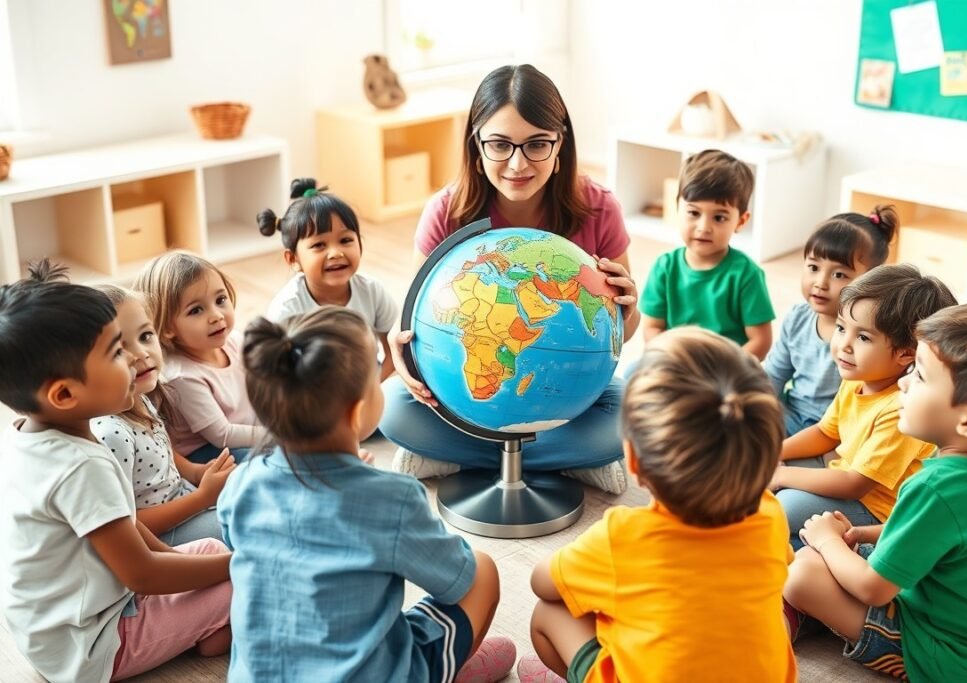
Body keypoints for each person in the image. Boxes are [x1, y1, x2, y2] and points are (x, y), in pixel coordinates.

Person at [379, 64, 639, 495]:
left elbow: (620, 336)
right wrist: (402, 352)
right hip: (470, 392)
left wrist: (628, 309)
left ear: (560, 145)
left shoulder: (598, 207)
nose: (518, 163)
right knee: (392, 408)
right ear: (476, 146)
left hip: (566, 385)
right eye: (499, 144)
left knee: (631, 411)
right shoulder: (446, 212)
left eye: (537, 144)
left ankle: (457, 455)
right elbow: (420, 324)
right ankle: (569, 459)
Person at [217, 306, 515, 682]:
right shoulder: (394, 499)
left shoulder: (241, 483)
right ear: (358, 414)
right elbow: (455, 575)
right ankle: (449, 668)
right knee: (483, 569)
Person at [517, 327, 796, 683]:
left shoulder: (623, 537)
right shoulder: (770, 513)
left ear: (632, 460)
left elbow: (544, 584)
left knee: (551, 613)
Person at [0, 261, 232, 683]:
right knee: (246, 578)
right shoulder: (80, 466)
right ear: (65, 393)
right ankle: (215, 627)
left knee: (213, 553)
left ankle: (214, 620)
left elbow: (128, 529)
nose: (133, 359)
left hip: (59, 629)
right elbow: (142, 572)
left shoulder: (44, 437)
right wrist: (242, 567)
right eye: (115, 352)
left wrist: (225, 563)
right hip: (93, 647)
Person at [784, 302, 967, 682]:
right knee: (822, 556)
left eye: (921, 376)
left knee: (803, 573)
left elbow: (873, 588)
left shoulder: (936, 488)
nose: (902, 383)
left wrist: (828, 541)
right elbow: (940, 537)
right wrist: (860, 534)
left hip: (941, 657)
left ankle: (798, 620)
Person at [771, 264, 957, 549]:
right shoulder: (858, 376)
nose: (844, 345)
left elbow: (854, 483)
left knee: (784, 505)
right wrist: (774, 453)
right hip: (841, 472)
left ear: (906, 354)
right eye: (842, 328)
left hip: (871, 508)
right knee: (766, 470)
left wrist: (782, 474)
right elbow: (825, 433)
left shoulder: (901, 407)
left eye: (863, 337)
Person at [90, 285, 235, 545]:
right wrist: (202, 497)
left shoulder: (139, 395)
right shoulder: (111, 434)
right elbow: (131, 525)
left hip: (185, 497)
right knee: (248, 527)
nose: (141, 354)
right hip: (164, 534)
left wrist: (195, 472)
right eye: (120, 350)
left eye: (145, 336)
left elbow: (161, 448)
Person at [763, 205, 898, 435]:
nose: (821, 282)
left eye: (839, 274)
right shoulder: (797, 318)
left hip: (840, 430)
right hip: (791, 415)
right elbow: (775, 374)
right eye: (813, 267)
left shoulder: (869, 335)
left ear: (873, 278)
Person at [639, 149, 775, 360]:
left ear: (740, 221)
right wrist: (673, 356)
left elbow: (760, 341)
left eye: (719, 218)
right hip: (676, 360)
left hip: (727, 368)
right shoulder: (664, 268)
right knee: (632, 375)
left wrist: (726, 367)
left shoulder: (746, 274)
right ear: (678, 209)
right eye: (693, 213)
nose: (704, 227)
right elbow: (652, 329)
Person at [260, 176, 398, 380]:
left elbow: (395, 352)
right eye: (319, 245)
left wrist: (372, 393)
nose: (335, 253)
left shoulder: (372, 291)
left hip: (368, 384)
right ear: (293, 259)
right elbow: (280, 381)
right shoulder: (287, 311)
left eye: (345, 240)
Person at [135, 251, 265, 464]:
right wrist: (277, 435)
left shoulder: (235, 341)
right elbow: (222, 435)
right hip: (207, 450)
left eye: (220, 299)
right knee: (266, 463)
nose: (216, 315)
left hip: (243, 432)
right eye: (196, 310)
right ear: (167, 327)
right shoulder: (182, 376)